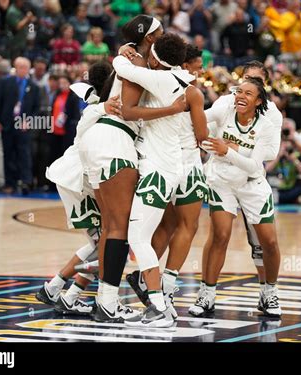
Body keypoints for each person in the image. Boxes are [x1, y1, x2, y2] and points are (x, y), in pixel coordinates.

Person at [78, 16, 184, 324]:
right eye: (160, 33)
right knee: (120, 229)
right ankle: (108, 301)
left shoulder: (129, 60)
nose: (165, 37)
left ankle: (104, 301)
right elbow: (127, 109)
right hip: (115, 140)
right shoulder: (137, 65)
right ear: (150, 38)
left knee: (112, 227)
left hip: (98, 140)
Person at [112, 32, 203, 328]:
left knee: (139, 238)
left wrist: (123, 51)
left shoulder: (158, 80)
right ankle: (162, 306)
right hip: (175, 169)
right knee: (150, 234)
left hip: (157, 172)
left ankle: (159, 308)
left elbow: (122, 68)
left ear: (155, 57)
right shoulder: (185, 82)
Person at [189, 77, 282, 319]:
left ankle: (268, 292)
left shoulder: (266, 125)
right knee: (220, 235)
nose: (241, 96)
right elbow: (200, 125)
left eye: (248, 93)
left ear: (258, 101)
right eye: (239, 91)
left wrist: (228, 150)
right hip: (222, 182)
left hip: (253, 185)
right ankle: (207, 294)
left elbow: (253, 166)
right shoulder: (224, 109)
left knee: (269, 242)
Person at [36, 61, 122, 315]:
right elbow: (86, 130)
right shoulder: (99, 108)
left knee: (103, 242)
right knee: (107, 243)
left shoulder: (101, 103)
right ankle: (59, 290)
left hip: (76, 177)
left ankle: (61, 291)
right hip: (78, 179)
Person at [0, 57, 40, 194]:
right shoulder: (5, 83)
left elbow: (37, 108)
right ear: (15, 68)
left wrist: (29, 121)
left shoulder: (34, 86)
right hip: (7, 124)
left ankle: (26, 182)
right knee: (8, 154)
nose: (23, 70)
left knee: (24, 154)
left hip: (23, 125)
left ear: (29, 69)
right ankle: (9, 183)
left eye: (25, 67)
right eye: (20, 67)